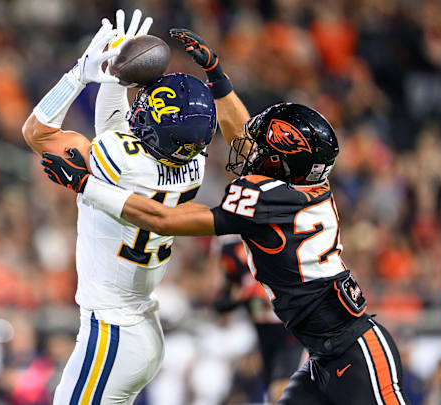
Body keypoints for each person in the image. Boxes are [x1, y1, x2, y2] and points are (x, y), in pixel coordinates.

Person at [41, 56, 411, 404]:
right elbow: (245, 140)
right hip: (324, 351)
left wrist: (87, 185)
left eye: (267, 150)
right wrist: (217, 76)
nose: (251, 150)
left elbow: (164, 219)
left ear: (283, 161)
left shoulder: (269, 200)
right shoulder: (299, 187)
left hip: (353, 350)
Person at [21, 10, 220, 404]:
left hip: (113, 329)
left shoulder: (120, 158)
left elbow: (37, 132)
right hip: (140, 325)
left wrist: (82, 73)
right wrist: (114, 75)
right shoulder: (195, 165)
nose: (140, 109)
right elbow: (116, 135)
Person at [212, 235, 304, 403]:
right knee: (272, 394)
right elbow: (220, 303)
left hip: (292, 332)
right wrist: (244, 294)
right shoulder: (232, 251)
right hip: (264, 336)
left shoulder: (281, 240)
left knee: (281, 392)